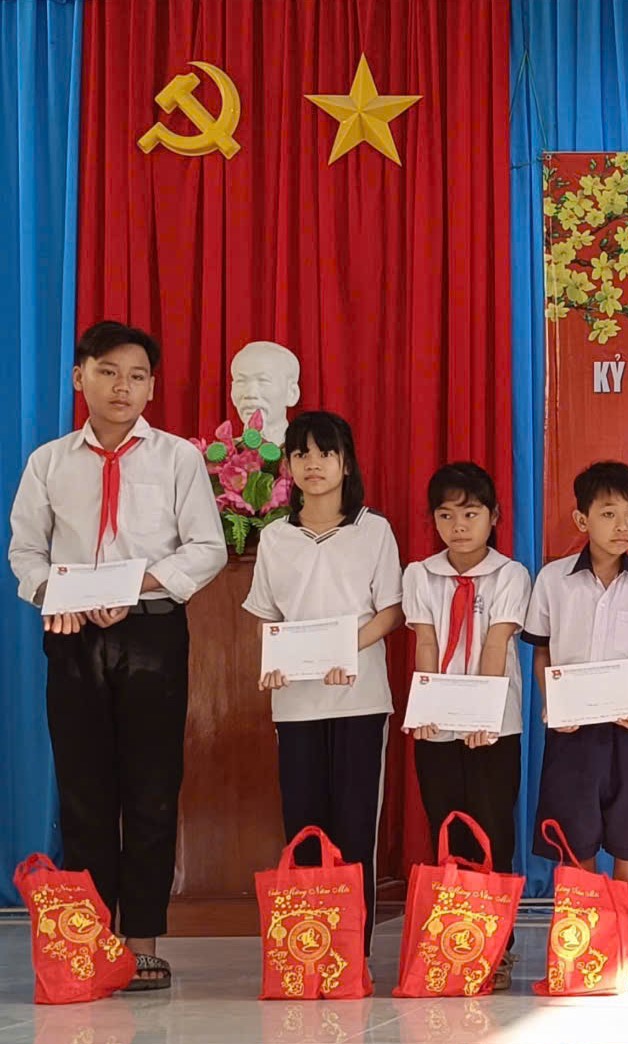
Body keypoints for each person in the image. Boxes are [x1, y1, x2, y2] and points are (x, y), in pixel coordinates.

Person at [8, 320, 226, 990]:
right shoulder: (49, 462)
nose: (121, 387)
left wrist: (137, 586)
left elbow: (207, 549)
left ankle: (143, 941)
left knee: (152, 790)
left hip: (152, 632)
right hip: (72, 634)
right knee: (84, 792)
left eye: (136, 376)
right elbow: (25, 552)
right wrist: (57, 594)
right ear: (80, 377)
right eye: (107, 372)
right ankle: (92, 940)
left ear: (152, 387)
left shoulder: (177, 459)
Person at [246, 411, 404, 954]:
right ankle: (309, 948)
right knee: (303, 825)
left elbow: (390, 611)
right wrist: (274, 658)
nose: (313, 464)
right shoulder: (275, 538)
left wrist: (345, 649)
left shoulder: (373, 530)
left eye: (325, 453)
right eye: (302, 454)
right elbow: (267, 615)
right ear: (289, 466)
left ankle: (352, 950)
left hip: (359, 697)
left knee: (355, 825)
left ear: (346, 463)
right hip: (295, 703)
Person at [523, 460, 628, 988]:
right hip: (573, 735)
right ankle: (583, 956)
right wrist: (552, 702)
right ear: (581, 518)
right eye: (609, 513)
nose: (622, 526)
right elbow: (541, 651)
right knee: (577, 846)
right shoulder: (553, 580)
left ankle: (624, 955)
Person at [400, 461, 531, 989]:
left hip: (494, 723)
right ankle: (454, 938)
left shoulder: (510, 574)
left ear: (493, 517)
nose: (458, 526)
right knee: (447, 826)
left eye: (471, 514)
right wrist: (425, 710)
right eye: (446, 515)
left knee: (493, 828)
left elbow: (496, 642)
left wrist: (482, 713)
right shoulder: (420, 574)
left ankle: (497, 945)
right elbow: (427, 644)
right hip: (438, 722)